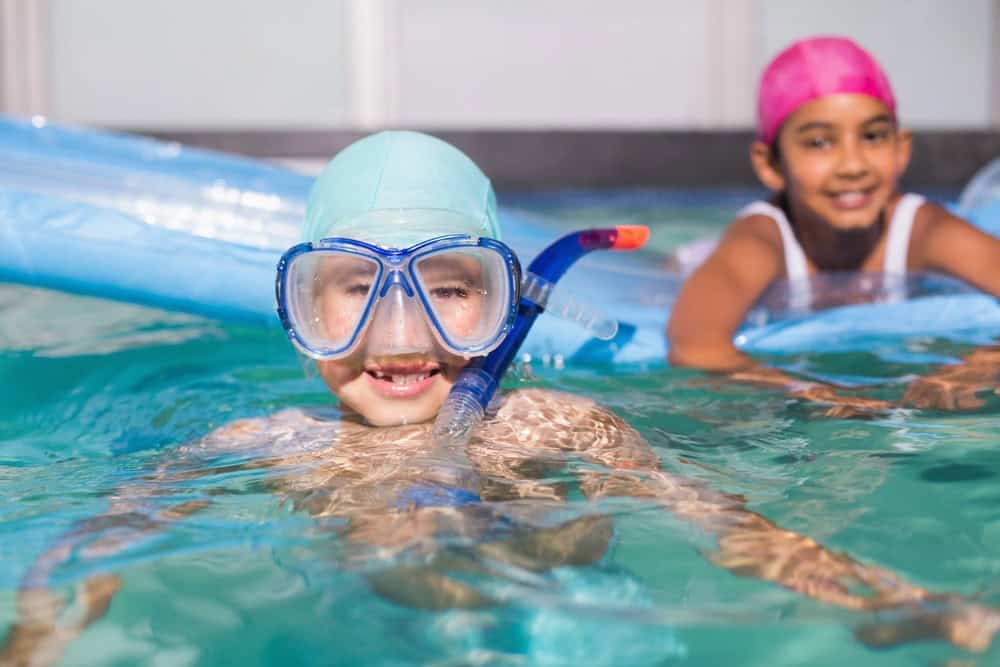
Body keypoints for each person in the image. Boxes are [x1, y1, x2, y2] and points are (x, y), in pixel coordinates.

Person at [3, 131, 998, 666]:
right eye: (353, 289)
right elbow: (104, 535)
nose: (400, 331)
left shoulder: (557, 422)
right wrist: (45, 618)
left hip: (577, 634)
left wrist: (888, 597)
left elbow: (722, 524)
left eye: (449, 287)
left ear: (505, 306)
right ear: (299, 316)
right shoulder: (267, 440)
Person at [667, 36, 1000, 411]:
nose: (853, 166)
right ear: (770, 164)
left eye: (873, 136)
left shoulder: (923, 231)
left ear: (901, 148)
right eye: (819, 143)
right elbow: (696, 344)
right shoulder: (764, 238)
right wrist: (814, 395)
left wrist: (976, 367)